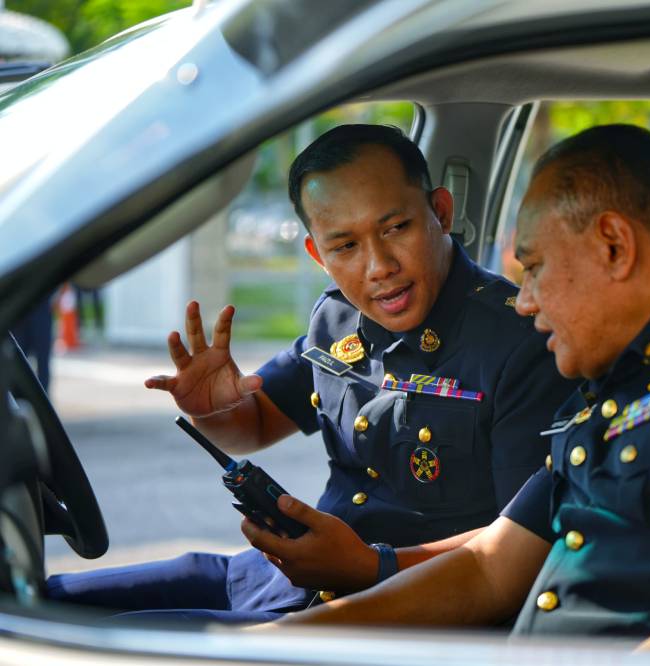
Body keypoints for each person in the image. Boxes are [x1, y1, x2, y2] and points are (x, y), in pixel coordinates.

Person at [274, 124, 650, 648]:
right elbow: (488, 569)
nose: (525, 301)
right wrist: (284, 640)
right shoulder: (614, 391)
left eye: (534, 268)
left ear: (613, 245)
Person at [46, 124, 576, 622]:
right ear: (317, 253)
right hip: (279, 579)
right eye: (345, 246)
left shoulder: (522, 342)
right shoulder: (337, 318)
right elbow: (255, 424)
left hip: (393, 609)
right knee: (46, 599)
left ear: (439, 212)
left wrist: (373, 566)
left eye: (396, 228)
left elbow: (519, 550)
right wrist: (214, 409)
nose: (379, 266)